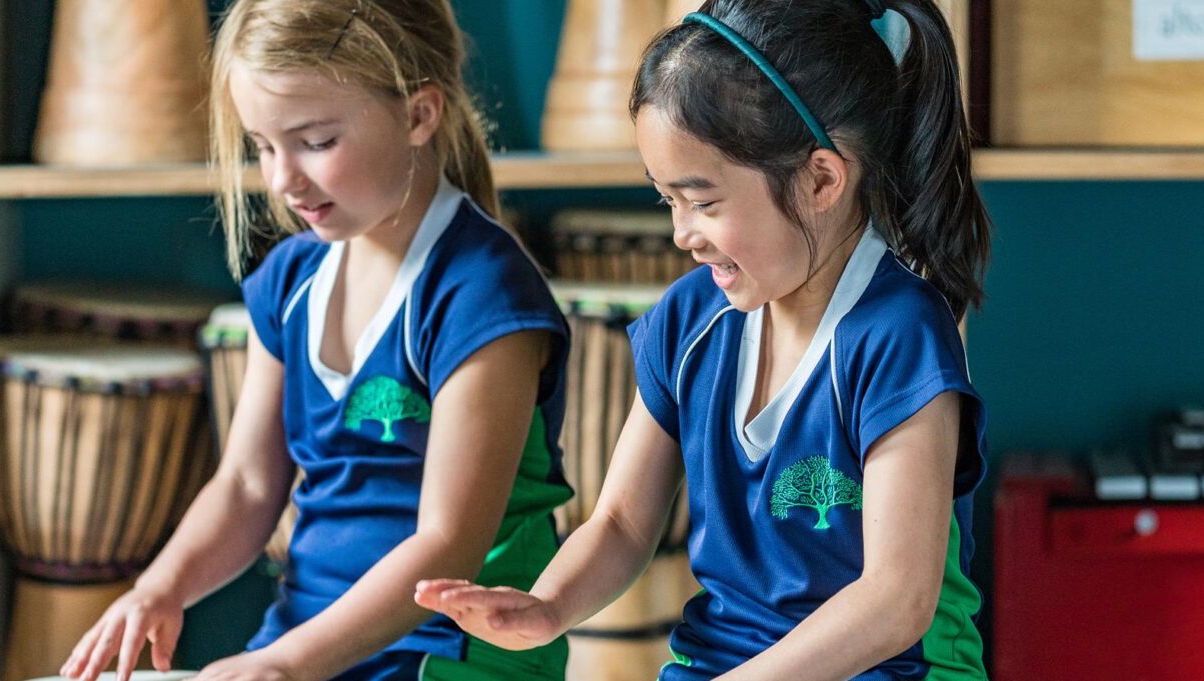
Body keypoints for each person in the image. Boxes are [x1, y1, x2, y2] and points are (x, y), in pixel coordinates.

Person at [417, 0, 993, 678]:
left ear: (820, 179)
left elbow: (896, 600)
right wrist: (546, 606)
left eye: (704, 202)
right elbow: (624, 524)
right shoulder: (691, 320)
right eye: (669, 201)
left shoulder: (899, 334)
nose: (682, 234)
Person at [60, 1, 573, 679]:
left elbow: (449, 545)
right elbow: (246, 485)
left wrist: (284, 665)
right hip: (310, 638)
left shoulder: (481, 292)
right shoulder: (293, 280)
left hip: (452, 649)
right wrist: (159, 588)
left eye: (315, 141)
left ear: (420, 114)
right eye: (264, 145)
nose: (281, 179)